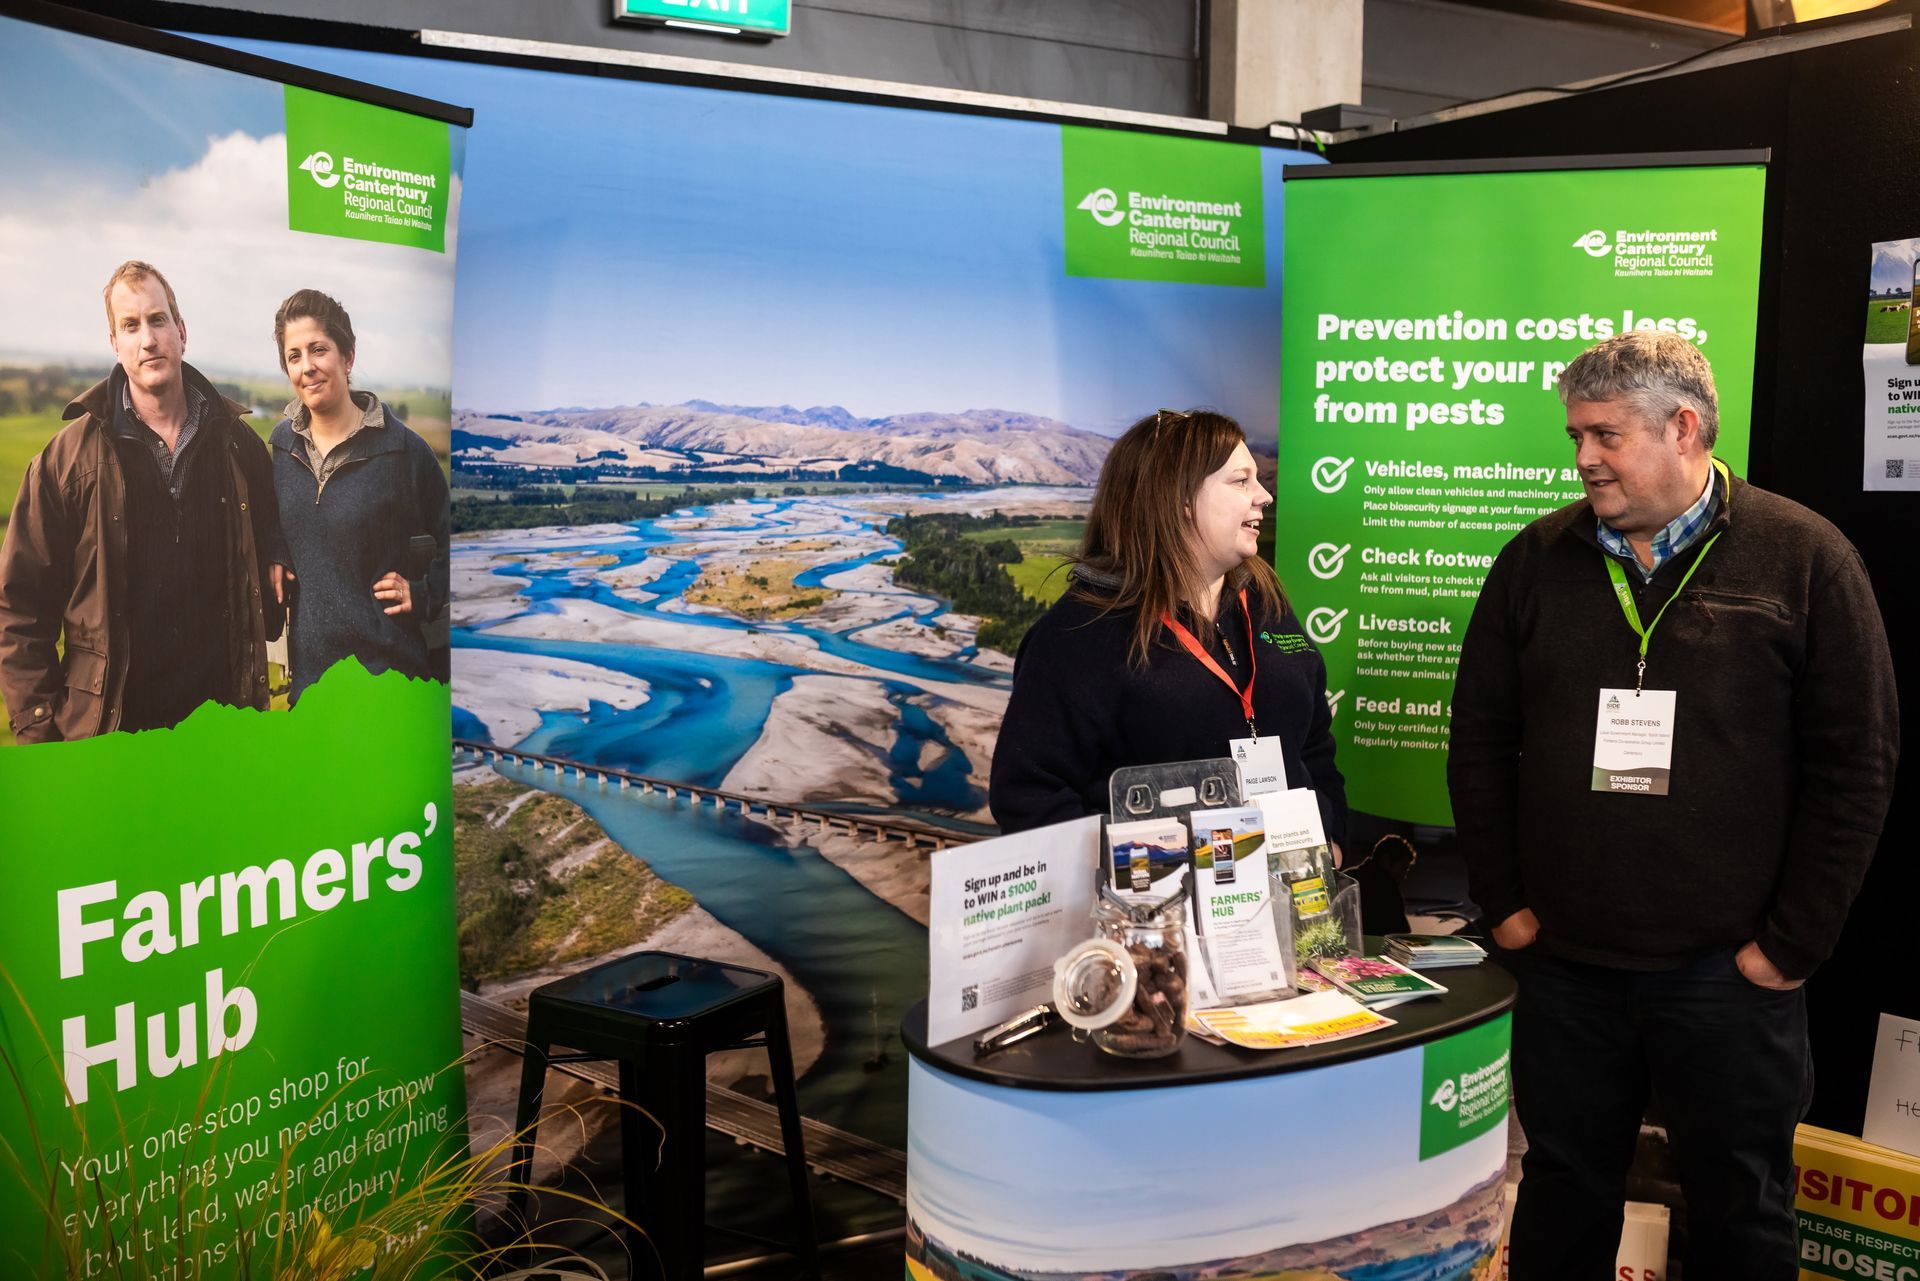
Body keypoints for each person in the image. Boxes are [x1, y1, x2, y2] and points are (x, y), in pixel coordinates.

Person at [1448, 331, 1899, 1280]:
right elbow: (1480, 739)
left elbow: (1857, 763)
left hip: (1729, 975)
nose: (1583, 458)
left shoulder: (1806, 558)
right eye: (1575, 435)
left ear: (1683, 428)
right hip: (1567, 965)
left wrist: (1791, 944)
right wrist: (1506, 904)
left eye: (1605, 435)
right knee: (1563, 1190)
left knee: (1742, 1209)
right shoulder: (1536, 559)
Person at [989, 408, 1347, 849]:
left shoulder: (1265, 604)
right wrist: (1144, 873)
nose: (1264, 496)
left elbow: (1313, 746)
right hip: (1158, 892)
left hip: (1291, 883)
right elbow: (1030, 797)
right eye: (1241, 481)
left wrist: (1332, 836)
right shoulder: (1079, 634)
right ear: (1178, 498)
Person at [0, 260, 289, 743]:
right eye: (131, 326)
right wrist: (40, 731)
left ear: (181, 332)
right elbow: (19, 608)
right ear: (115, 343)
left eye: (158, 320)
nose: (148, 339)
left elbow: (282, 533)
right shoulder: (64, 463)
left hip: (220, 735)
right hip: (110, 742)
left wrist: (279, 549)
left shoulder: (239, 447)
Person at [268, 288, 449, 704]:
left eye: (319, 350)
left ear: (347, 357)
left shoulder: (403, 450)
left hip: (389, 684)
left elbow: (454, 536)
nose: (307, 367)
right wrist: (276, 549)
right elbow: (276, 516)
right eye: (294, 356)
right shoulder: (282, 445)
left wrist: (424, 593)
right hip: (312, 690)